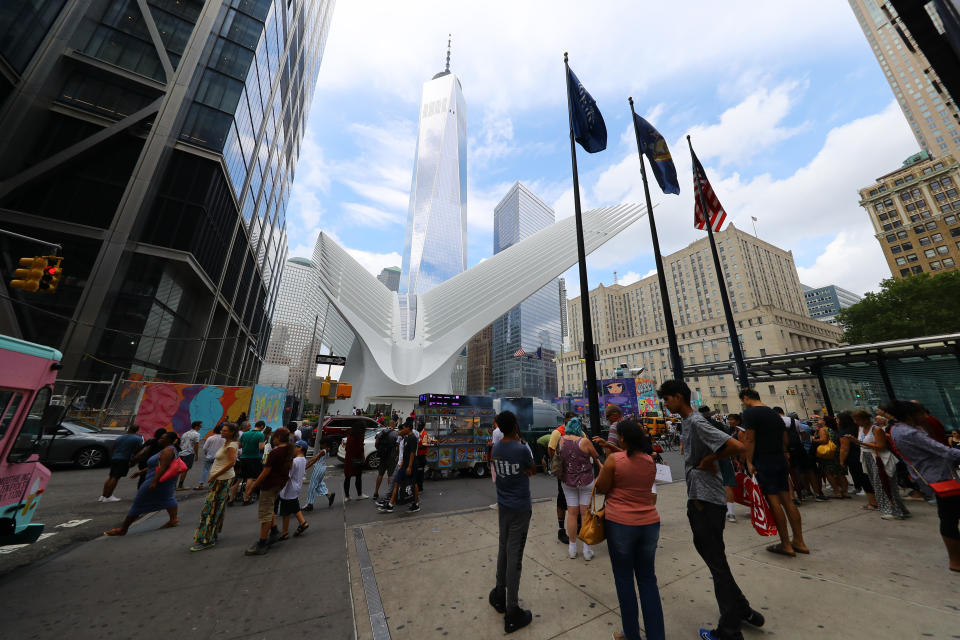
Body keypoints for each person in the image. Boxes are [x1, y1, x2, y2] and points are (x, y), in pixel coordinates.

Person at [657, 380, 763, 640]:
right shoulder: (688, 422)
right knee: (717, 560)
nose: (665, 404)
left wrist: (709, 459)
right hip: (704, 497)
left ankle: (729, 630)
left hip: (705, 501)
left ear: (679, 397)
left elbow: (737, 446)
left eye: (667, 399)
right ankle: (744, 610)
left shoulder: (695, 422)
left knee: (716, 564)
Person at [594, 420, 665, 640]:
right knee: (647, 580)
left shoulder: (614, 460)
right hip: (649, 523)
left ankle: (631, 635)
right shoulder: (649, 461)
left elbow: (601, 487)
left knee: (624, 580)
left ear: (622, 438)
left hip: (621, 524)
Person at [886, 400, 960, 572]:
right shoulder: (909, 433)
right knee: (949, 518)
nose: (926, 415)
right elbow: (944, 451)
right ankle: (955, 560)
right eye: (921, 412)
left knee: (948, 516)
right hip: (939, 478)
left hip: (934, 477)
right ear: (910, 415)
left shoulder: (898, 429)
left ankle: (956, 559)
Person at [739, 389, 808, 558]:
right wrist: (784, 453)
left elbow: (750, 439)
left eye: (743, 401)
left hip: (764, 459)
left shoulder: (750, 413)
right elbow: (785, 439)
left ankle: (786, 544)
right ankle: (799, 541)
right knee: (788, 500)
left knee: (773, 500)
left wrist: (748, 461)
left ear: (746, 398)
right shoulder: (773, 413)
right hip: (779, 458)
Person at [488, 410, 535, 634]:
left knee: (503, 548)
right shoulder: (521, 449)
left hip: (504, 506)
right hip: (520, 508)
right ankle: (512, 610)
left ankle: (499, 593)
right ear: (515, 426)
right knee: (515, 555)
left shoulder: (496, 448)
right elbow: (531, 470)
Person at [104, 430, 180, 536]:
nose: (160, 439)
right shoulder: (168, 449)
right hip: (161, 479)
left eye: (163, 438)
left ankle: (123, 529)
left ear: (170, 440)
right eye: (160, 437)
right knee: (167, 497)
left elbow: (163, 467)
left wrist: (154, 481)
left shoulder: (168, 450)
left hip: (157, 479)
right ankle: (173, 519)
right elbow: (157, 465)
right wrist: (141, 472)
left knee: (138, 502)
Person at [243, 427, 294, 556]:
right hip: (279, 484)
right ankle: (274, 530)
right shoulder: (289, 450)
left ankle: (262, 543)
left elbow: (265, 472)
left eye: (273, 437)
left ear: (277, 438)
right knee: (270, 507)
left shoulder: (275, 453)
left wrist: (252, 487)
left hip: (269, 485)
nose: (271, 439)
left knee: (265, 514)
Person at [190, 422, 238, 551]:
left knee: (210, 509)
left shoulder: (232, 445)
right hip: (220, 479)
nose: (222, 432)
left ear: (232, 433)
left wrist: (214, 475)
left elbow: (232, 462)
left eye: (225, 431)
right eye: (222, 430)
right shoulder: (226, 443)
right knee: (216, 508)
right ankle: (212, 534)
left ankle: (207, 539)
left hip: (221, 480)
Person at [558, 415, 601, 560]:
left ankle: (572, 548)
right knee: (585, 514)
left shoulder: (561, 440)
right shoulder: (585, 441)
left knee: (571, 513)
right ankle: (587, 550)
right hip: (586, 481)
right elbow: (596, 456)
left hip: (567, 481)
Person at [853, 410, 909, 519]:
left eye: (857, 420)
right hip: (867, 458)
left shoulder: (876, 429)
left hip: (879, 459)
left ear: (864, 419)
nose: (856, 422)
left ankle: (894, 511)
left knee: (885, 484)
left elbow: (881, 446)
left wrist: (859, 443)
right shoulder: (861, 429)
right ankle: (897, 509)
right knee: (878, 485)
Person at [378, 418, 420, 513]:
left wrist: (409, 466)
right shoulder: (406, 438)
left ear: (408, 428)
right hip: (404, 465)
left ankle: (416, 504)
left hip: (410, 466)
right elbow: (405, 453)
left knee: (414, 484)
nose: (402, 430)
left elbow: (412, 453)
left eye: (404, 428)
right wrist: (401, 463)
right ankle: (391, 504)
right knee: (397, 482)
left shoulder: (412, 438)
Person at [99, 424, 143, 503]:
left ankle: (103, 496)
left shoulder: (120, 437)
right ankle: (108, 496)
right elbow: (139, 450)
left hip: (115, 458)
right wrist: (134, 461)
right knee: (116, 478)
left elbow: (113, 447)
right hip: (124, 459)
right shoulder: (138, 438)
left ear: (129, 428)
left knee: (111, 477)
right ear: (137, 430)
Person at [276, 440, 310, 540]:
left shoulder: (294, 461)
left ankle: (302, 523)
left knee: (288, 509)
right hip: (295, 487)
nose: (293, 449)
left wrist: (280, 486)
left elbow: (287, 475)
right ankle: (286, 532)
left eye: (295, 446)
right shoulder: (303, 459)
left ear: (300, 448)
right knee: (289, 509)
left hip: (289, 488)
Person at [548, 414, 572, 544]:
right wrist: (557, 465)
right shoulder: (558, 432)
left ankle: (578, 525)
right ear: (565, 422)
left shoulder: (581, 432)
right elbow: (550, 449)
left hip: (577, 474)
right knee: (562, 500)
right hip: (563, 474)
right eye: (570, 422)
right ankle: (561, 530)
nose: (572, 424)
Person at [813, 415, 849, 498]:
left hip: (828, 453)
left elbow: (824, 440)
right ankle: (845, 491)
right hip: (836, 451)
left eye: (821, 419)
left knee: (829, 473)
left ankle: (836, 492)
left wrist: (814, 440)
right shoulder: (833, 428)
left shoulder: (823, 429)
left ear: (824, 421)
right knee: (840, 472)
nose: (819, 420)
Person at [231, 421, 264, 505]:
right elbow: (261, 447)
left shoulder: (245, 434)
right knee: (250, 478)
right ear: (262, 426)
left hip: (243, 457)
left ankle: (231, 499)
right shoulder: (260, 435)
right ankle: (246, 498)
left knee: (238, 478)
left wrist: (247, 445)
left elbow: (239, 445)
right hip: (254, 458)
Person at [304, 441, 336, 510]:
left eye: (321, 444)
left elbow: (315, 459)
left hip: (318, 468)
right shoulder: (327, 450)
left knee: (312, 485)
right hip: (322, 468)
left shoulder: (323, 451)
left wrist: (306, 467)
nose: (320, 445)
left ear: (324, 444)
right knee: (319, 484)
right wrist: (308, 462)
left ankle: (310, 504)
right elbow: (315, 458)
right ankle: (329, 496)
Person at [373, 421, 399, 500]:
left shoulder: (382, 432)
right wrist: (397, 455)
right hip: (391, 457)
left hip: (383, 456)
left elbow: (376, 442)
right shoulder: (395, 434)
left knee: (380, 474)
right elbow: (398, 445)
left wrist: (379, 449)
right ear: (394, 425)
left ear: (389, 425)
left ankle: (376, 492)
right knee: (390, 475)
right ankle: (390, 493)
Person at [343, 423, 368, 501]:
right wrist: (363, 458)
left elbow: (347, 448)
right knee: (358, 476)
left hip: (348, 459)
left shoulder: (350, 435)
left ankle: (347, 496)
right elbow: (360, 449)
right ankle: (359, 494)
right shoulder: (359, 437)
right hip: (357, 459)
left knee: (347, 477)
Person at [196, 424, 224, 490]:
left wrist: (206, 453)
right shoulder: (224, 439)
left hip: (209, 456)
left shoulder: (210, 438)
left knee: (205, 470)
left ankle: (201, 484)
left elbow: (205, 448)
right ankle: (214, 484)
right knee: (217, 471)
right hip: (219, 458)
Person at [177, 421, 201, 490]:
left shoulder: (185, 433)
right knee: (185, 469)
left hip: (181, 453)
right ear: (196, 427)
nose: (201, 427)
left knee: (178, 469)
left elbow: (181, 443)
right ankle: (180, 486)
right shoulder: (197, 434)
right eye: (200, 426)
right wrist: (196, 455)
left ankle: (174, 485)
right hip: (189, 453)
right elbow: (196, 445)